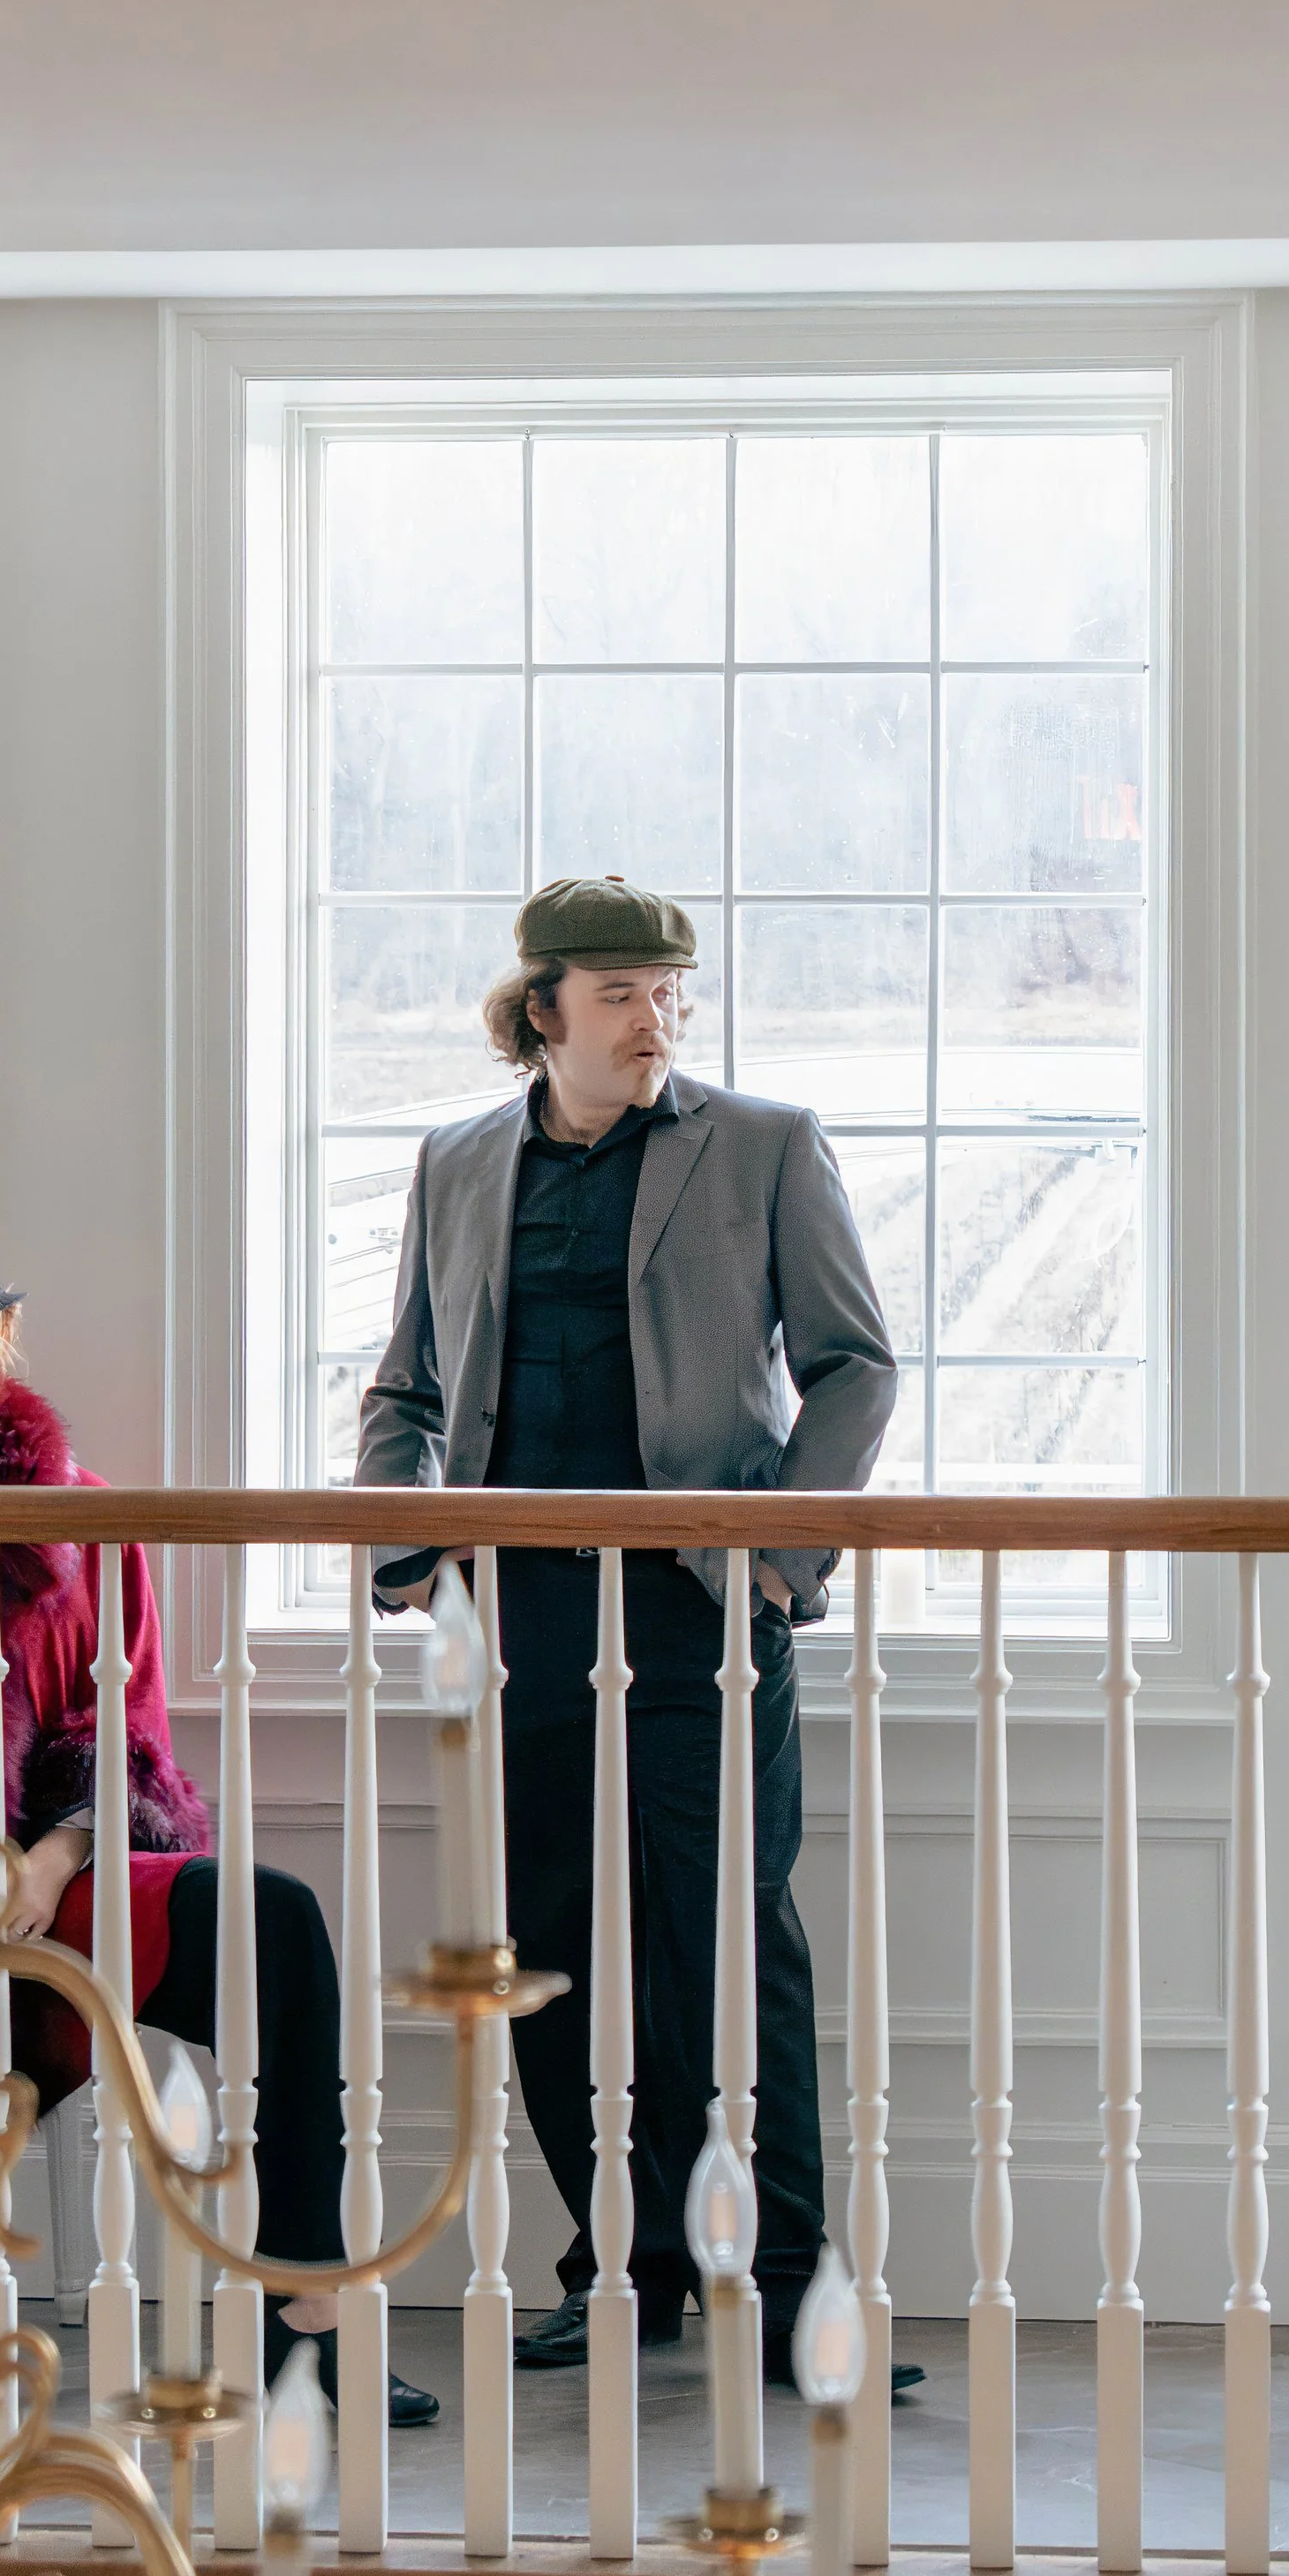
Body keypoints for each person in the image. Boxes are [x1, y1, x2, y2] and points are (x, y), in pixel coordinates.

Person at [356, 875, 916, 2387]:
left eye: (673, 992)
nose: (657, 1018)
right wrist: (405, 1537)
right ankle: (618, 2264)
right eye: (621, 995)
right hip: (520, 1620)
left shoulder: (767, 1150)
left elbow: (856, 1366)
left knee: (732, 1945)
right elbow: (407, 1389)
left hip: (704, 1615)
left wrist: (787, 1559)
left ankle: (793, 2283)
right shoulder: (458, 1164)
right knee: (548, 1945)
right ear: (544, 1009)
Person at [0, 1210, 436, 2425]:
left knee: (273, 1924)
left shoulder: (82, 1509)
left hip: (61, 1879)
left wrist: (53, 1855)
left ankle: (306, 2321)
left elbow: (132, 1739)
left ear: (4, 1334)